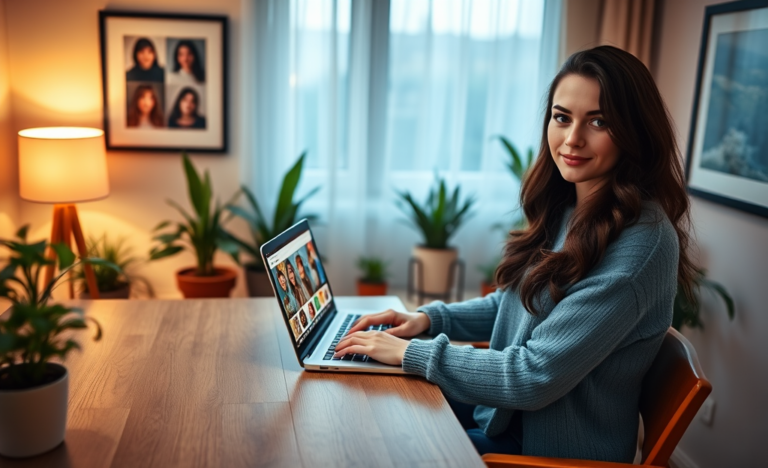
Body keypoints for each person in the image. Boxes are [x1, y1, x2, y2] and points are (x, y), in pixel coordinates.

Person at [334, 46, 696, 464]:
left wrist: (409, 352)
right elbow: (516, 302)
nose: (572, 138)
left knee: (376, 444)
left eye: (599, 122)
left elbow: (534, 375)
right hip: (508, 418)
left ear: (635, 132)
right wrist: (429, 320)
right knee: (368, 404)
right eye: (562, 117)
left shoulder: (641, 246)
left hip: (550, 452)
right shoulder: (572, 207)